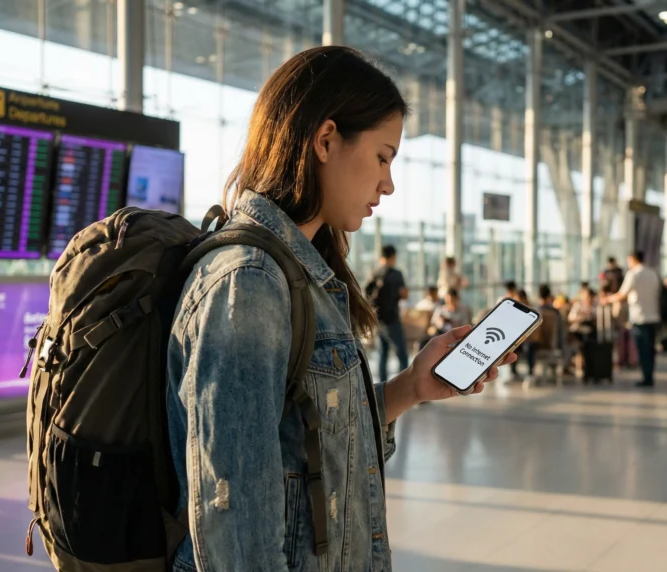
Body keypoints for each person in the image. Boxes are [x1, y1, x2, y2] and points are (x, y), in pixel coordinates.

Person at [166, 46, 516, 572]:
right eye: (382, 156)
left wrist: (412, 388)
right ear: (326, 139)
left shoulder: (300, 275)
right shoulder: (250, 283)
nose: (388, 182)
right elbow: (234, 528)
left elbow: (309, 447)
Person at [601, 251, 662, 387]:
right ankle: (649, 375)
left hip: (639, 317)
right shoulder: (652, 273)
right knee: (650, 349)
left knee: (642, 349)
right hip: (653, 316)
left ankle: (646, 377)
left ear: (633, 259)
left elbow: (622, 294)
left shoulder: (634, 274)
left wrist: (607, 300)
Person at [368, 244, 411, 382]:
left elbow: (366, 292)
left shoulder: (375, 273)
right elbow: (404, 294)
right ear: (393, 256)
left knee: (383, 354)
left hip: (379, 319)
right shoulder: (396, 274)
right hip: (392, 318)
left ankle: (382, 385)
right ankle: (403, 385)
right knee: (402, 354)